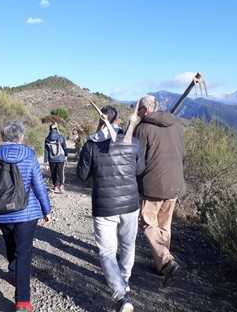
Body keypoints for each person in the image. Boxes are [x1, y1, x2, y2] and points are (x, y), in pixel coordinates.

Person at [77, 105, 145, 312]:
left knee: (107, 251)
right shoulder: (134, 143)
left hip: (104, 205)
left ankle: (121, 296)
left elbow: (81, 175)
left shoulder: (91, 145)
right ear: (119, 121)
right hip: (130, 204)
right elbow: (140, 170)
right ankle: (124, 280)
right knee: (128, 245)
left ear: (100, 119)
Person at [0, 120, 51, 312]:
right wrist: (46, 209)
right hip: (27, 213)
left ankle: (13, 273)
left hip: (1, 212)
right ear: (21, 137)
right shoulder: (29, 156)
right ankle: (23, 301)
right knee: (23, 252)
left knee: (10, 243)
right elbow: (39, 185)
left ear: (2, 137)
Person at [133, 95, 186, 287]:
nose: (137, 114)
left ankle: (166, 260)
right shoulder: (177, 126)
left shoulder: (143, 128)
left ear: (145, 111)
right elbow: (182, 155)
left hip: (153, 186)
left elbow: (137, 161)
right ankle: (160, 266)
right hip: (175, 184)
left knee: (148, 224)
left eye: (137, 110)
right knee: (165, 226)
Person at [44, 123, 68, 193]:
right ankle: (61, 186)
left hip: (52, 159)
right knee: (61, 172)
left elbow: (46, 151)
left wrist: (45, 161)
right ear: (56, 129)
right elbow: (64, 147)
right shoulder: (61, 137)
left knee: (53, 172)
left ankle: (55, 186)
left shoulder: (47, 139)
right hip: (61, 158)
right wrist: (66, 155)